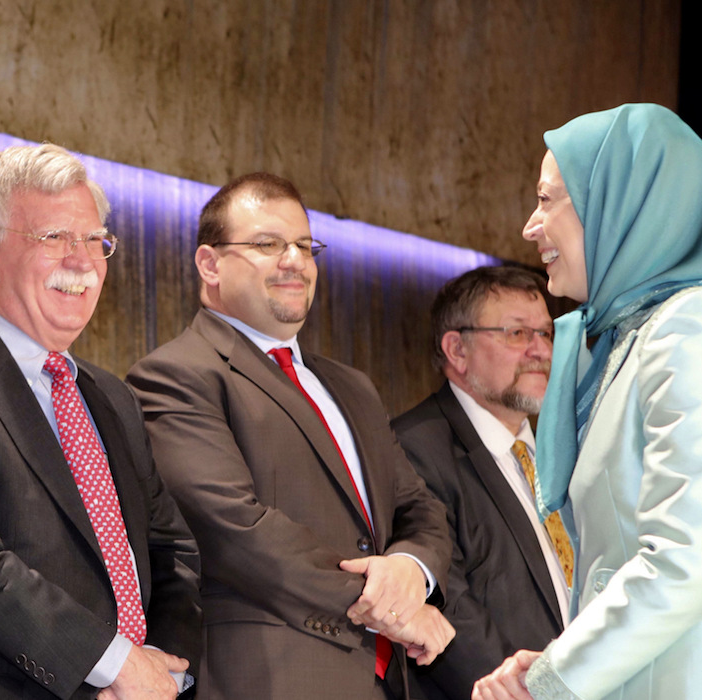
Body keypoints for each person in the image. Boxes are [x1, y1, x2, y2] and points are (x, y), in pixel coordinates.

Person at [472, 103, 702, 700]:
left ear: (620, 201)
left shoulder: (698, 327)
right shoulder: (637, 338)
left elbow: (686, 556)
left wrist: (554, 680)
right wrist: (561, 661)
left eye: (548, 200)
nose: (531, 226)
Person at [0, 143, 202, 700]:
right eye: (54, 238)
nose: (82, 260)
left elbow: (175, 553)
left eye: (95, 240)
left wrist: (164, 675)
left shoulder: (112, 398)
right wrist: (117, 666)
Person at [127, 172, 456, 700]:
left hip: (386, 682)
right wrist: (388, 606)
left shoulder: (353, 387)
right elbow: (234, 528)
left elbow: (422, 511)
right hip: (269, 678)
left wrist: (411, 570)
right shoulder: (176, 374)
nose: (294, 260)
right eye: (266, 244)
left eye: (305, 246)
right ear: (209, 264)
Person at [391, 266, 567, 700]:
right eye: (516, 334)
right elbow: (445, 601)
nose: (539, 350)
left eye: (546, 334)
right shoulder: (411, 449)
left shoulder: (560, 448)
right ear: (457, 349)